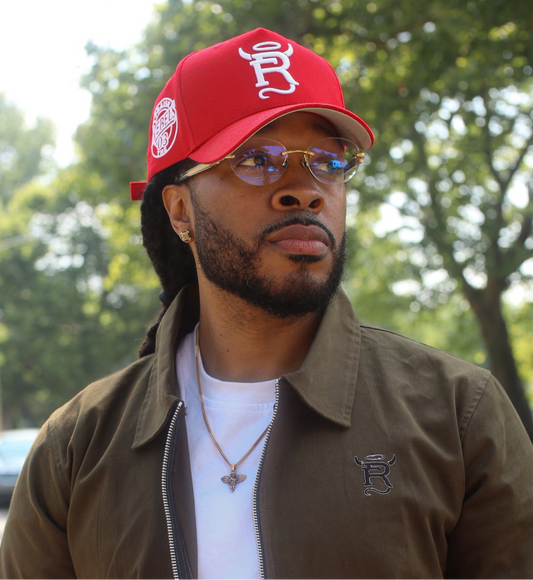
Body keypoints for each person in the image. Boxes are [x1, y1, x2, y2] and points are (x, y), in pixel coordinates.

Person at [1, 27, 532, 580]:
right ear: (180, 211)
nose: (305, 189)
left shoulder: (457, 416)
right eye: (256, 159)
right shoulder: (77, 447)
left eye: (329, 160)